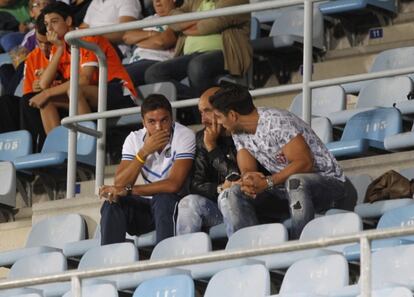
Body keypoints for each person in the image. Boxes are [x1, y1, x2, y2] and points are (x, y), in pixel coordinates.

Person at [209, 84, 347, 239]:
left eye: (219, 117)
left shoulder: (276, 121)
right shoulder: (237, 130)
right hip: (284, 190)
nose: (219, 123)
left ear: (233, 115)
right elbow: (247, 166)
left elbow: (305, 163)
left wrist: (268, 182)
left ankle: (302, 246)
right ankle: (251, 249)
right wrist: (249, 179)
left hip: (328, 186)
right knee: (234, 193)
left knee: (295, 182)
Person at [27, 2, 137, 134]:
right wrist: (60, 49)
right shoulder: (57, 45)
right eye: (46, 24)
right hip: (86, 94)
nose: (49, 28)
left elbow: (84, 79)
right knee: (46, 101)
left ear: (68, 21)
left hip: (116, 89)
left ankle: (88, 146)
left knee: (71, 91)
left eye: (54, 22)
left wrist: (46, 93)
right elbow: (44, 84)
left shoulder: (87, 37)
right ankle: (57, 147)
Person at [99, 94, 195, 245]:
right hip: (147, 208)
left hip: (176, 205)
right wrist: (143, 153)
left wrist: (130, 190)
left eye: (164, 120)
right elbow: (120, 183)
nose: (158, 127)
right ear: (143, 122)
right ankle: (108, 261)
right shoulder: (134, 139)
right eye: (152, 122)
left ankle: (165, 260)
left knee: (163, 198)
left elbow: (174, 184)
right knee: (112, 202)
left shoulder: (184, 135)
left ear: (171, 119)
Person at [144, 0, 251, 100]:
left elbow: (211, 25)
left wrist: (184, 25)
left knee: (197, 66)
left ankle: (204, 110)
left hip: (225, 54)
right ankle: (201, 103)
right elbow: (172, 16)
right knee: (153, 73)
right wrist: (201, 19)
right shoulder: (195, 1)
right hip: (190, 56)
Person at [176, 87, 239, 235]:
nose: (203, 119)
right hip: (216, 205)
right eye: (200, 112)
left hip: (245, 203)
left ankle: (238, 253)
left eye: (207, 111)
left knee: (228, 196)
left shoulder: (242, 133)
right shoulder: (201, 138)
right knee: (187, 203)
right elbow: (196, 185)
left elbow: (238, 176)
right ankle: (187, 255)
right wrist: (220, 188)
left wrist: (212, 149)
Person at [123, 0, 177, 87]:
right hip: (134, 62)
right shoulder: (148, 19)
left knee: (120, 78)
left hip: (156, 61)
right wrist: (151, 34)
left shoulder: (177, 17)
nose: (157, 2)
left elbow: (161, 42)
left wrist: (137, 39)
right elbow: (126, 37)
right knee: (103, 76)